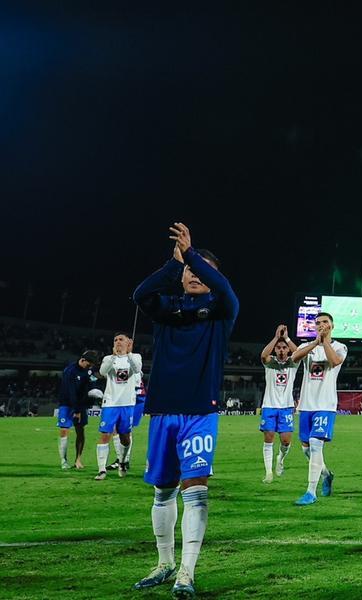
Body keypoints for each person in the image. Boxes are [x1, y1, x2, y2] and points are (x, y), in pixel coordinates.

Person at [130, 223, 238, 599]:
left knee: (195, 490)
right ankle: (164, 563)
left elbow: (223, 288)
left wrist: (192, 255)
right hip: (162, 411)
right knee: (163, 490)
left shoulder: (222, 310)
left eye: (200, 270)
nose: (193, 275)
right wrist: (175, 264)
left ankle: (187, 572)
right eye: (189, 271)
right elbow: (140, 293)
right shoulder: (167, 309)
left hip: (199, 411)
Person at [290, 312, 347, 505]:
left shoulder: (340, 347)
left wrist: (324, 343)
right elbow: (294, 358)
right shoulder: (307, 346)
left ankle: (310, 492)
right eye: (318, 323)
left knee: (315, 444)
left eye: (325, 322)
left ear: (332, 326)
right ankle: (327, 474)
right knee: (306, 449)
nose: (321, 325)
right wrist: (315, 343)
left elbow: (335, 361)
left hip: (325, 405)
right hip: (306, 405)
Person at [95, 332, 142, 480]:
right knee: (105, 434)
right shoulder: (108, 359)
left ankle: (122, 461)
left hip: (127, 403)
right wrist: (115, 357)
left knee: (125, 437)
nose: (118, 342)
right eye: (115, 340)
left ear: (128, 342)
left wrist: (127, 354)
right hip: (110, 403)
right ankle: (101, 470)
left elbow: (136, 369)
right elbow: (102, 372)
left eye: (121, 339)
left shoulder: (135, 357)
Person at [259, 325, 299, 484]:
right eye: (279, 348)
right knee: (268, 437)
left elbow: (298, 353)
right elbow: (263, 355)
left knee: (286, 440)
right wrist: (276, 337)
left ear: (288, 349)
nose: (282, 350)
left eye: (284, 348)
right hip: (269, 406)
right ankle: (268, 472)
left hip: (286, 407)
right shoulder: (270, 363)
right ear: (275, 350)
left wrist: (287, 339)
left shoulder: (293, 363)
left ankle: (280, 458)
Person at [57, 350, 101, 470]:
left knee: (80, 431)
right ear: (83, 360)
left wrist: (95, 396)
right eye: (89, 364)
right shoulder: (70, 371)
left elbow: (92, 384)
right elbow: (71, 392)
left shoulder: (89, 370)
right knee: (64, 430)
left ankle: (78, 459)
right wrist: (76, 411)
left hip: (81, 405)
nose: (90, 367)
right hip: (67, 404)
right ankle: (64, 461)